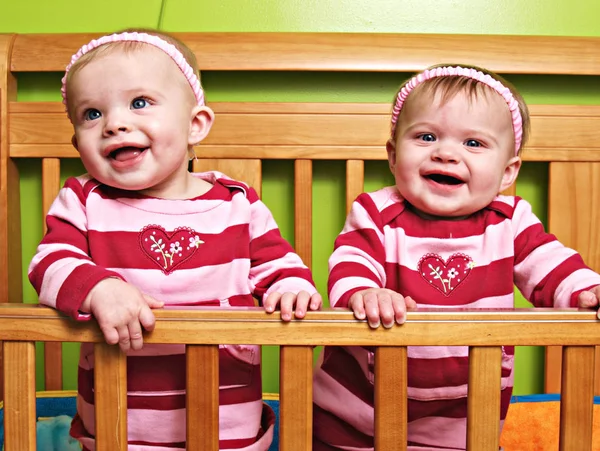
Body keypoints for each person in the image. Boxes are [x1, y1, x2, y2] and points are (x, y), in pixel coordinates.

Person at [28, 29, 322, 451]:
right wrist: (98, 287)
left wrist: (291, 288)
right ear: (78, 144)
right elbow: (49, 263)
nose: (115, 123)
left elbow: (279, 265)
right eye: (92, 113)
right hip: (116, 423)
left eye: (140, 103)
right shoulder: (83, 199)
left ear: (195, 125)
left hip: (228, 422)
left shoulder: (238, 204)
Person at [312, 64, 600, 450]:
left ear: (506, 173)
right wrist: (364, 292)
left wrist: (587, 290)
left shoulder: (510, 222)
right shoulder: (376, 213)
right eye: (426, 136)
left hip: (467, 421)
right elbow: (351, 261)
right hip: (355, 417)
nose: (446, 153)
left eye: (474, 144)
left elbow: (552, 266)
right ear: (394, 156)